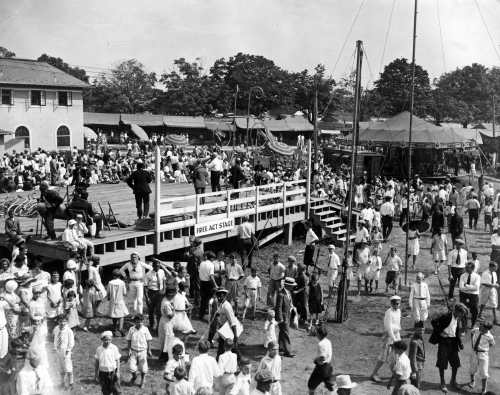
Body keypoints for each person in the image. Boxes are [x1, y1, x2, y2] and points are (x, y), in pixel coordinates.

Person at [429, 302, 468, 393]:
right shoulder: (447, 316)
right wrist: (440, 332)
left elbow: (456, 331)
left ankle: (453, 381)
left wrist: (460, 343)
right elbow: (433, 322)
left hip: (453, 342)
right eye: (462, 313)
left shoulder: (457, 318)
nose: (462, 316)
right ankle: (442, 382)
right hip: (444, 342)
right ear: (457, 311)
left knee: (456, 363)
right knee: (442, 363)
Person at [371, 295, 402, 382]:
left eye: (399, 303)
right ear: (391, 303)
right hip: (389, 336)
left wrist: (398, 338)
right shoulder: (388, 312)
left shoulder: (399, 311)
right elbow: (389, 328)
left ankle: (395, 373)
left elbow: (398, 325)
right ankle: (374, 373)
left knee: (396, 355)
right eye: (396, 303)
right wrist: (394, 339)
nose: (397, 305)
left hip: (396, 335)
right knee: (384, 357)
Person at [125, 314, 152, 388]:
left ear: (142, 321)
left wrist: (149, 350)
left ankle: (143, 380)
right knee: (131, 367)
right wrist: (129, 349)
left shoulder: (145, 329)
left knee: (143, 368)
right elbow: (129, 340)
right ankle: (134, 376)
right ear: (134, 322)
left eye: (140, 322)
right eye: (137, 322)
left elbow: (148, 340)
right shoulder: (131, 329)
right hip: (133, 351)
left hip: (142, 351)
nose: (138, 323)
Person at [468, 321, 495, 394]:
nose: (480, 327)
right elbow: (471, 332)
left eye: (482, 327)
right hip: (474, 353)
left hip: (483, 354)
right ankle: (472, 381)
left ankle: (484, 389)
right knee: (472, 368)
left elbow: (492, 344)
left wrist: (484, 349)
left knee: (484, 372)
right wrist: (473, 344)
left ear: (487, 329)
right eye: (480, 325)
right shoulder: (476, 330)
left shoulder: (490, 336)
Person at [214, 287, 240, 359]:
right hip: (223, 330)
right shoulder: (220, 305)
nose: (218, 297)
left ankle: (239, 359)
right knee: (226, 348)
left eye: (220, 295)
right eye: (218, 295)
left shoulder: (227, 306)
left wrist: (235, 336)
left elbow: (232, 322)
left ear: (224, 296)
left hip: (228, 330)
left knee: (228, 348)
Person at [307, 325, 334, 395]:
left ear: (319, 334)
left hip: (321, 369)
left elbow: (322, 358)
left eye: (316, 332)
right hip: (329, 367)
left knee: (311, 385)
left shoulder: (321, 344)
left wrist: (316, 360)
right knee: (330, 387)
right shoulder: (328, 341)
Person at [94, 331, 122, 395]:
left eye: (109, 340)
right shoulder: (99, 349)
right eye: (106, 340)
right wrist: (96, 374)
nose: (108, 341)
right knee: (105, 391)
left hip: (113, 372)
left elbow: (117, 360)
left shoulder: (114, 348)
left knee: (116, 390)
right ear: (102, 339)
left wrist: (118, 372)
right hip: (103, 373)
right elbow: (97, 362)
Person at [275, 277, 295, 358]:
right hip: (283, 317)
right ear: (287, 285)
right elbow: (278, 307)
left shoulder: (288, 293)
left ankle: (281, 348)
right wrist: (280, 318)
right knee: (286, 333)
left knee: (282, 332)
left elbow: (289, 303)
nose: (293, 287)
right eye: (291, 285)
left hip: (288, 315)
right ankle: (288, 351)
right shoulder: (281, 294)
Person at [53, 315, 75, 390]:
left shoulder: (69, 331)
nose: (62, 323)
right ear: (58, 321)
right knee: (60, 368)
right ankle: (62, 383)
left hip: (65, 351)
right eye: (60, 321)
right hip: (58, 350)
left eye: (64, 321)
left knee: (68, 368)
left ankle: (71, 383)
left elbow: (71, 342)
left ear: (66, 322)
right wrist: (55, 348)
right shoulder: (56, 328)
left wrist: (68, 350)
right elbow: (55, 338)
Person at [144, 259, 166, 332]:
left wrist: (164, 290)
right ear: (153, 266)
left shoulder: (162, 272)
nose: (158, 267)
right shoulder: (148, 274)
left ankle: (158, 327)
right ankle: (151, 325)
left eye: (159, 266)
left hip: (160, 293)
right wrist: (147, 298)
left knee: (159, 311)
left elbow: (163, 280)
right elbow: (145, 287)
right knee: (151, 310)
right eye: (156, 266)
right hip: (151, 293)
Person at [459, 261, 481, 327]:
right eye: (466, 267)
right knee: (463, 310)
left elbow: (476, 288)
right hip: (464, 295)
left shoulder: (477, 277)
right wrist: (471, 287)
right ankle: (464, 326)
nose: (466, 269)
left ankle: (473, 324)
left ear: (472, 268)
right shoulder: (462, 276)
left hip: (474, 296)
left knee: (475, 311)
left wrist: (467, 285)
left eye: (468, 268)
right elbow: (461, 288)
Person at [107, 269, 128, 336]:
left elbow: (108, 293)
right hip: (120, 300)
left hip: (113, 301)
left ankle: (115, 328)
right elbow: (124, 293)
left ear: (113, 276)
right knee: (121, 315)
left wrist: (109, 297)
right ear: (120, 276)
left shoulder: (110, 283)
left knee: (114, 314)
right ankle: (120, 328)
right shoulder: (122, 283)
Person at [198, 251, 217, 321]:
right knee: (210, 300)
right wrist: (216, 285)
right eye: (213, 258)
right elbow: (211, 276)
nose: (214, 260)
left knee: (203, 299)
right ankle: (210, 315)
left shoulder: (202, 263)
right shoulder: (211, 265)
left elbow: (201, 272)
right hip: (208, 283)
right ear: (211, 258)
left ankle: (201, 314)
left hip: (202, 282)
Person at [409, 325, 425, 389]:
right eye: (419, 330)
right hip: (417, 365)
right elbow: (412, 357)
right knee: (416, 385)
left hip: (420, 363)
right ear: (415, 330)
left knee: (417, 383)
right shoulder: (414, 342)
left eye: (423, 330)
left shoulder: (420, 338)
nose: (421, 332)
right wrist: (414, 371)